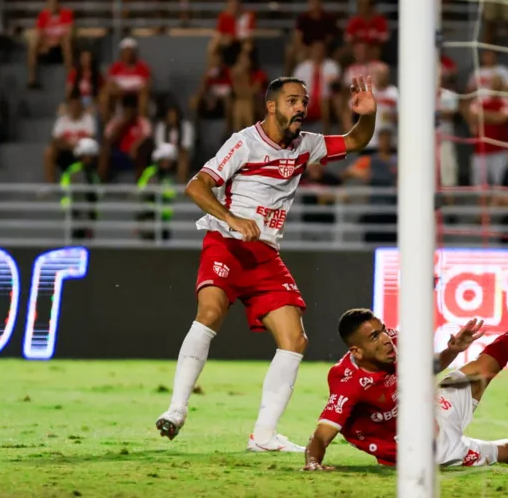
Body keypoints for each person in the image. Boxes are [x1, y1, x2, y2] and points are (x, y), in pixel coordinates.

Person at [155, 75, 377, 453]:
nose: (301, 109)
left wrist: (369, 116)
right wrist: (231, 219)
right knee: (209, 312)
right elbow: (196, 185)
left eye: (304, 102)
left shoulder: (307, 145)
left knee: (295, 340)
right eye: (292, 101)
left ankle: (263, 436)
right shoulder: (244, 142)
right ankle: (177, 409)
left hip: (265, 254)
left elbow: (357, 140)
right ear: (271, 106)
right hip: (226, 244)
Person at [303, 259, 508, 470]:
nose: (386, 339)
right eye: (375, 338)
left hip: (430, 410)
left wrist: (452, 350)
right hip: (421, 448)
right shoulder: (347, 381)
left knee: (488, 359)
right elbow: (322, 434)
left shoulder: (395, 342)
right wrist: (313, 463)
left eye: (382, 331)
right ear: (357, 352)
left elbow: (428, 367)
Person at [59, 138, 101, 240]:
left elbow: (96, 192)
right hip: (77, 214)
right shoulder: (76, 172)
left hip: (88, 215)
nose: (93, 159)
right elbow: (68, 189)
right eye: (91, 156)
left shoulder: (91, 173)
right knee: (77, 243)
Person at [136, 142, 178, 242]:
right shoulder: (150, 172)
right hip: (150, 216)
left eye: (170, 161)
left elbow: (171, 193)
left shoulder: (168, 177)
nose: (168, 164)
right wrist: (151, 190)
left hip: (164, 219)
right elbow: (141, 188)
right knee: (149, 246)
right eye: (166, 161)